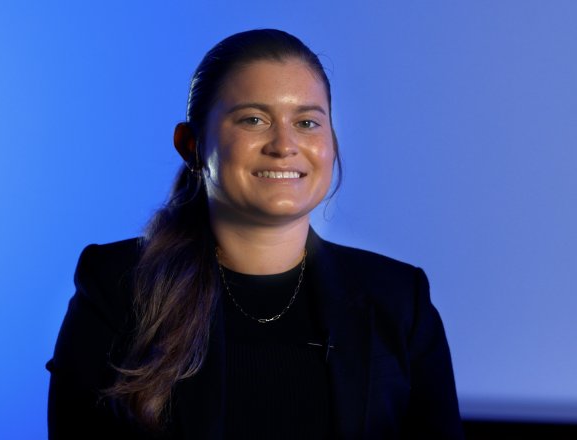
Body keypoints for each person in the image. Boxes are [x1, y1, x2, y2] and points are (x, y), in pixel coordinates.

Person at [46, 29, 463, 439]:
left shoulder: (398, 298)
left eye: (306, 122)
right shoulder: (116, 287)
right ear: (191, 145)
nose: (284, 144)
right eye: (253, 119)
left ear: (331, 143)